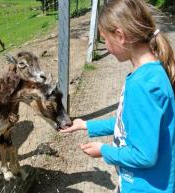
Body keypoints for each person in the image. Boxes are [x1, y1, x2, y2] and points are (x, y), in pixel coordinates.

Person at [60, 0, 175, 192]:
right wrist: (85, 125)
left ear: (120, 36)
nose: (105, 44)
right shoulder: (149, 74)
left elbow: (144, 156)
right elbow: (129, 123)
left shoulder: (143, 86)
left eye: (105, 38)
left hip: (145, 186)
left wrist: (104, 151)